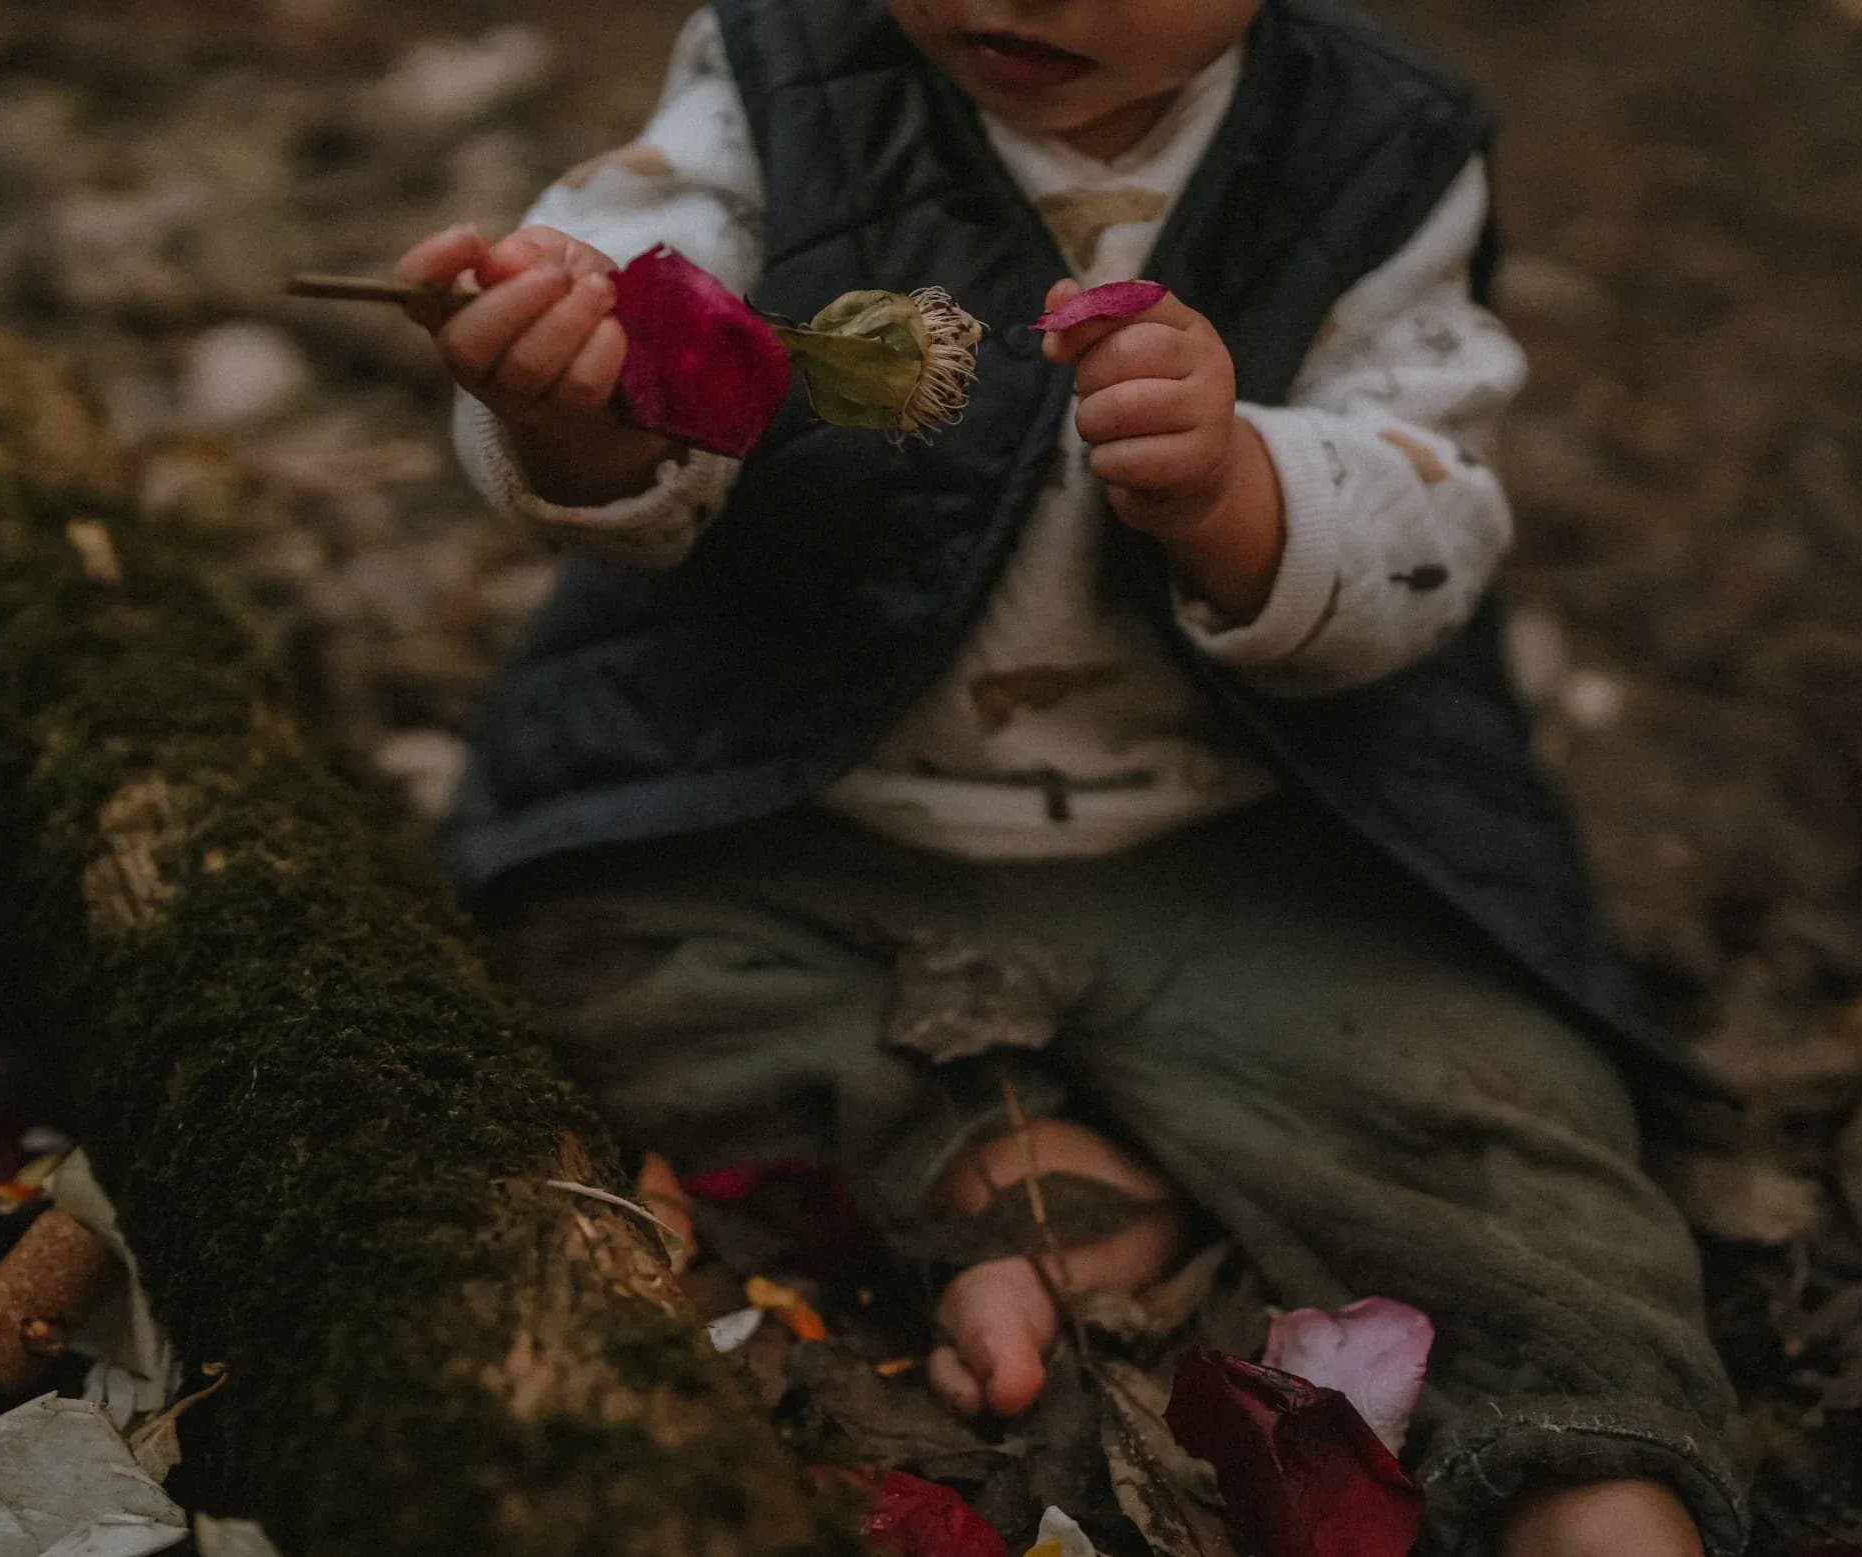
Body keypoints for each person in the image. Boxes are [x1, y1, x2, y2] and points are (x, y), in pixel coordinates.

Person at [399, 1, 1744, 1552]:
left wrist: (1245, 490)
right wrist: (576, 402)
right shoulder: (777, 77)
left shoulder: (1382, 146)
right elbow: (642, 321)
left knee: (1502, 1104)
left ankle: (1587, 1458)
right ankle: (1015, 1163)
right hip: (817, 817)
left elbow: (1427, 513)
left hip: (1238, 848)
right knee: (571, 957)